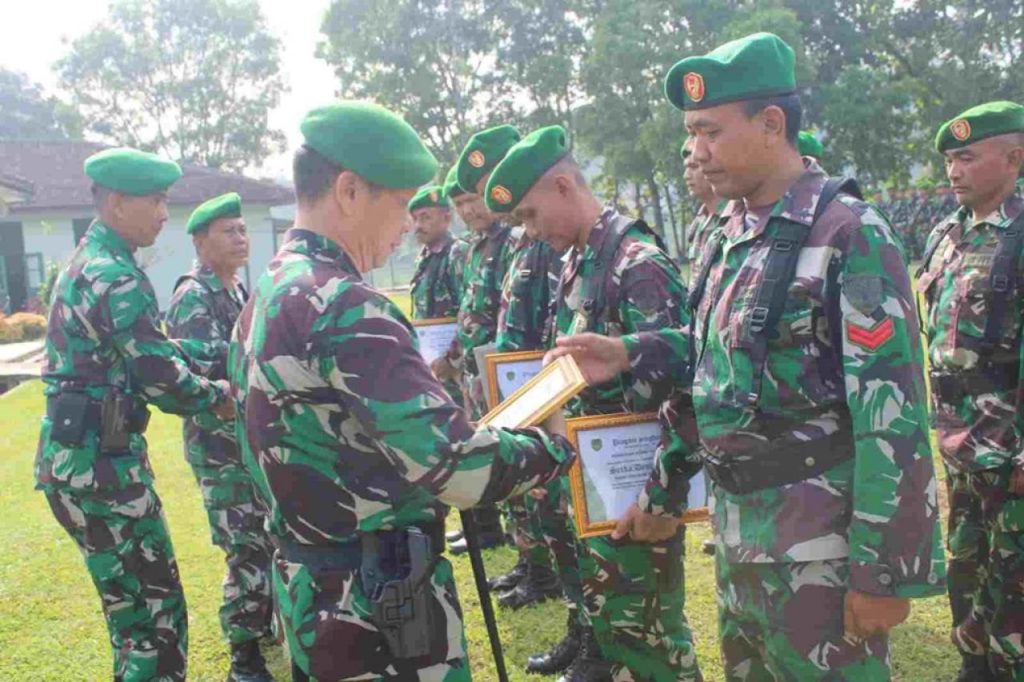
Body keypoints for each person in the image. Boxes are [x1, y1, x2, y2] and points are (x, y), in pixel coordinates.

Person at [552, 32, 947, 680]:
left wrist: (885, 573)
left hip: (821, 555)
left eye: (709, 130)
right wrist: (632, 352)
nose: (696, 151)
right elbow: (719, 365)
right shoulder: (730, 233)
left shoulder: (847, 233)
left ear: (771, 124)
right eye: (691, 132)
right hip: (742, 543)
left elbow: (893, 416)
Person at [227, 100, 575, 682]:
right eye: (398, 205)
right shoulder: (345, 305)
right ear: (349, 191)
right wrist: (552, 444)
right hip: (381, 603)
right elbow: (457, 468)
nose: (407, 228)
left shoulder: (267, 293)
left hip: (314, 588)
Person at [486, 125, 704, 682]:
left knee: (652, 642)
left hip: (637, 486)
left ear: (563, 186)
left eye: (532, 216)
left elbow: (689, 383)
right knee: (618, 633)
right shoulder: (579, 260)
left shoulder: (637, 262)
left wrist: (662, 496)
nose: (531, 234)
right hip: (596, 482)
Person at [36, 147, 234, 681]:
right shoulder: (116, 276)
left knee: (132, 621)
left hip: (83, 464)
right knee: (154, 623)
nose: (165, 213)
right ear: (119, 203)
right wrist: (224, 397)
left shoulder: (93, 262)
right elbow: (161, 378)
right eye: (157, 200)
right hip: (103, 473)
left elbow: (157, 355)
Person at [918, 100, 1024, 682]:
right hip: (959, 442)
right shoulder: (945, 233)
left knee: (1013, 577)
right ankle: (973, 662)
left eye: (967, 157)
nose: (953, 171)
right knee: (965, 562)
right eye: (949, 160)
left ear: (1014, 158)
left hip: (1011, 450)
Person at [452, 123, 568, 610]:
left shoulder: (540, 240)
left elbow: (548, 323)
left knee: (548, 498)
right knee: (522, 492)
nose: (485, 203)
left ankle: (547, 576)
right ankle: (532, 565)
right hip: (503, 383)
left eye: (488, 191)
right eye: (480, 194)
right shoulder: (519, 241)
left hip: (539, 388)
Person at [166, 192, 275, 682]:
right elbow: (205, 368)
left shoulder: (232, 289)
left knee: (263, 535)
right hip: (219, 445)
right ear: (200, 240)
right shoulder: (194, 295)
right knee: (245, 543)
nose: (240, 238)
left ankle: (263, 622)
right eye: (228, 231)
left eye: (243, 229)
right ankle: (243, 655)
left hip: (244, 439)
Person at [408, 183, 467, 406]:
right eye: (415, 219)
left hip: (455, 371)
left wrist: (451, 359)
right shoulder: (424, 259)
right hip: (432, 367)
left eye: (425, 217)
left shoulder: (457, 253)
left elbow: (470, 312)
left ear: (446, 218)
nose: (418, 225)